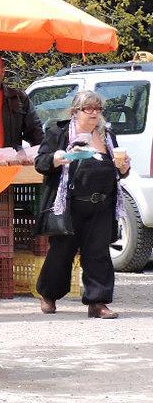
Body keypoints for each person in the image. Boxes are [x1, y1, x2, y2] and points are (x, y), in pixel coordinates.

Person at [35, 89, 128, 318]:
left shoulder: (107, 135)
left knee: (98, 254)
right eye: (89, 109)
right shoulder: (59, 132)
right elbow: (41, 162)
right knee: (61, 254)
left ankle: (97, 302)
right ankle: (49, 295)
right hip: (70, 204)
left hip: (102, 204)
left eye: (98, 109)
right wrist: (57, 158)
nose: (94, 113)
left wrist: (124, 168)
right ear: (75, 111)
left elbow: (117, 171)